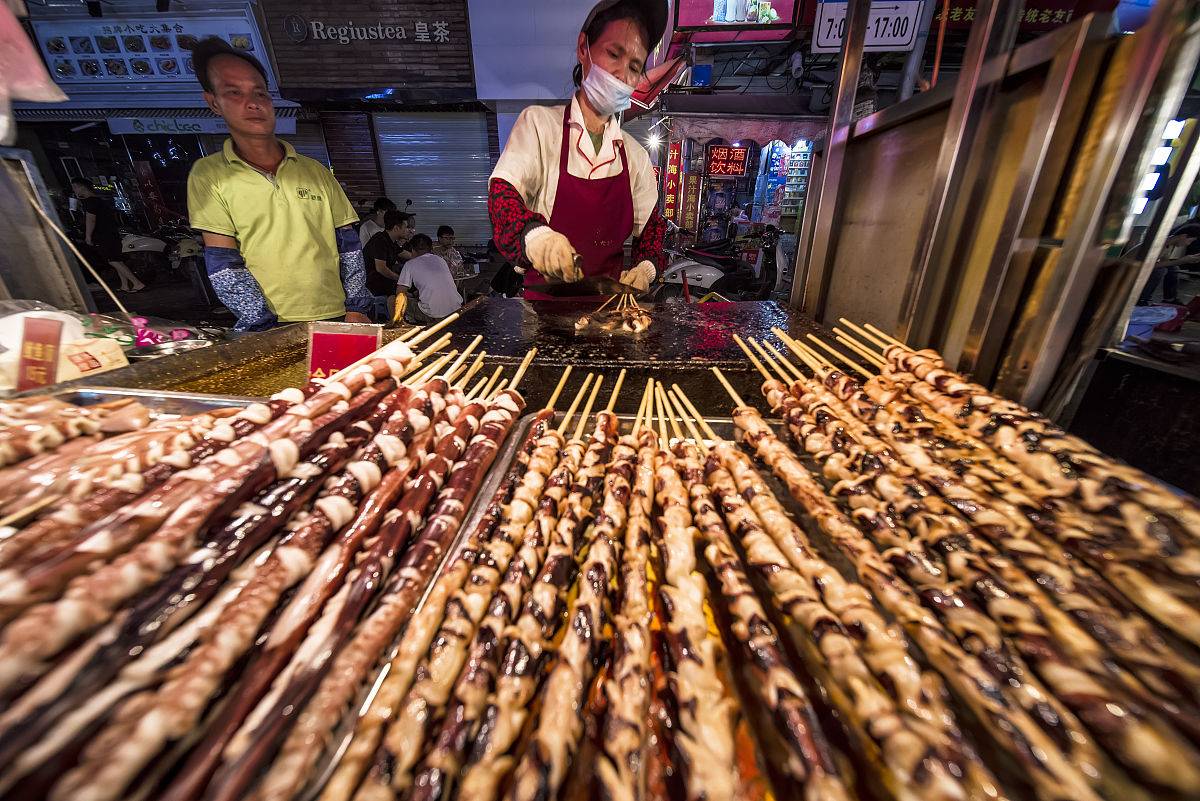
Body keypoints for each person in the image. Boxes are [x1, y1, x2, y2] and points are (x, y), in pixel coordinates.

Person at [185, 37, 372, 331]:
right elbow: (223, 261)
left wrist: (357, 306)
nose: (252, 103)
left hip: (336, 313)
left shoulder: (315, 171)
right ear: (213, 102)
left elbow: (348, 247)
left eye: (259, 92)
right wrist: (261, 324)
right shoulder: (209, 175)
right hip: (273, 321)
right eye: (234, 92)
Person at [488, 0, 667, 300]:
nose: (623, 75)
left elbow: (651, 232)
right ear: (584, 47)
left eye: (635, 67)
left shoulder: (634, 156)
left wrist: (645, 269)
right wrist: (537, 237)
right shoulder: (539, 126)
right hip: (541, 317)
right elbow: (503, 199)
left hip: (611, 315)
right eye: (613, 54)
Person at [71, 179, 144, 293]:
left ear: (82, 187)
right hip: (111, 234)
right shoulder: (98, 200)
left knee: (112, 260)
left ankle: (137, 283)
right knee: (117, 260)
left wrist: (88, 236)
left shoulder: (90, 202)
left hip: (102, 236)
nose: (74, 190)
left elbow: (91, 220)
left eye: (75, 187)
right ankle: (125, 285)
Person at [395, 234, 462, 324]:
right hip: (456, 310)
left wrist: (410, 295)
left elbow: (400, 293)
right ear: (431, 249)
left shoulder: (410, 264)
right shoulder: (440, 260)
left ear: (413, 250)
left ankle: (398, 329)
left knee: (392, 300)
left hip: (431, 314)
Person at [362, 210, 413, 320]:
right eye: (406, 227)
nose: (409, 231)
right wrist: (399, 279)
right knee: (404, 287)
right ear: (396, 228)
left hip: (382, 279)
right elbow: (381, 269)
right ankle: (397, 321)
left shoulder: (390, 241)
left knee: (408, 283)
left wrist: (422, 256)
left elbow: (404, 253)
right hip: (372, 282)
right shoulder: (379, 240)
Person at [1133, 222, 1200, 305]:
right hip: (1128, 269)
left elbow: (1165, 262)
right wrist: (1181, 261)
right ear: (1183, 236)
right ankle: (1141, 299)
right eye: (1189, 241)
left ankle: (1170, 299)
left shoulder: (1169, 245)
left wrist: (1191, 259)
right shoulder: (1160, 244)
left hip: (1138, 267)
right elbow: (1149, 265)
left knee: (1173, 268)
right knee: (1160, 270)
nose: (1188, 244)